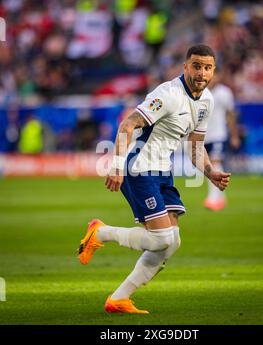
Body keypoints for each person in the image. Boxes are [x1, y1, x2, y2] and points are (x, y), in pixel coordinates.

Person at [77, 44, 231, 314]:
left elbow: (195, 146)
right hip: (139, 166)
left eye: (207, 67)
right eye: (196, 66)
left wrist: (211, 172)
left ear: (214, 71)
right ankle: (100, 232)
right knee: (161, 239)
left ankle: (119, 299)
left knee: (172, 243)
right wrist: (116, 166)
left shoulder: (207, 101)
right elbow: (128, 124)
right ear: (185, 67)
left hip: (162, 170)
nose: (201, 73)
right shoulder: (168, 94)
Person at [203, 70, 240, 211]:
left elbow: (230, 115)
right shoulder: (200, 92)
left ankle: (212, 199)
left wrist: (234, 135)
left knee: (215, 163)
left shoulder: (224, 92)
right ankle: (221, 198)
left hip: (218, 134)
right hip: (203, 136)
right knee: (207, 167)